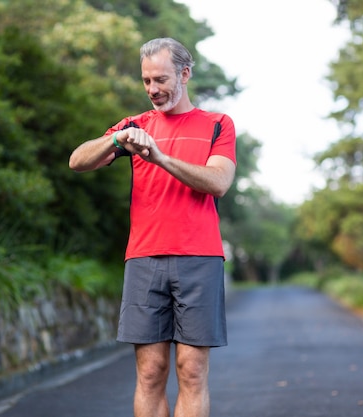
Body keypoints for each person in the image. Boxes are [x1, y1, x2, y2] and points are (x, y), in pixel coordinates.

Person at [69, 37, 236, 417]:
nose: (152, 90)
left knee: (191, 372)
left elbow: (218, 182)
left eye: (160, 80)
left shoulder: (217, 125)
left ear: (185, 74)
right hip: (144, 259)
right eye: (146, 81)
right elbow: (77, 161)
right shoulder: (135, 127)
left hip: (200, 259)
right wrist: (116, 138)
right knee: (150, 373)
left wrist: (159, 157)